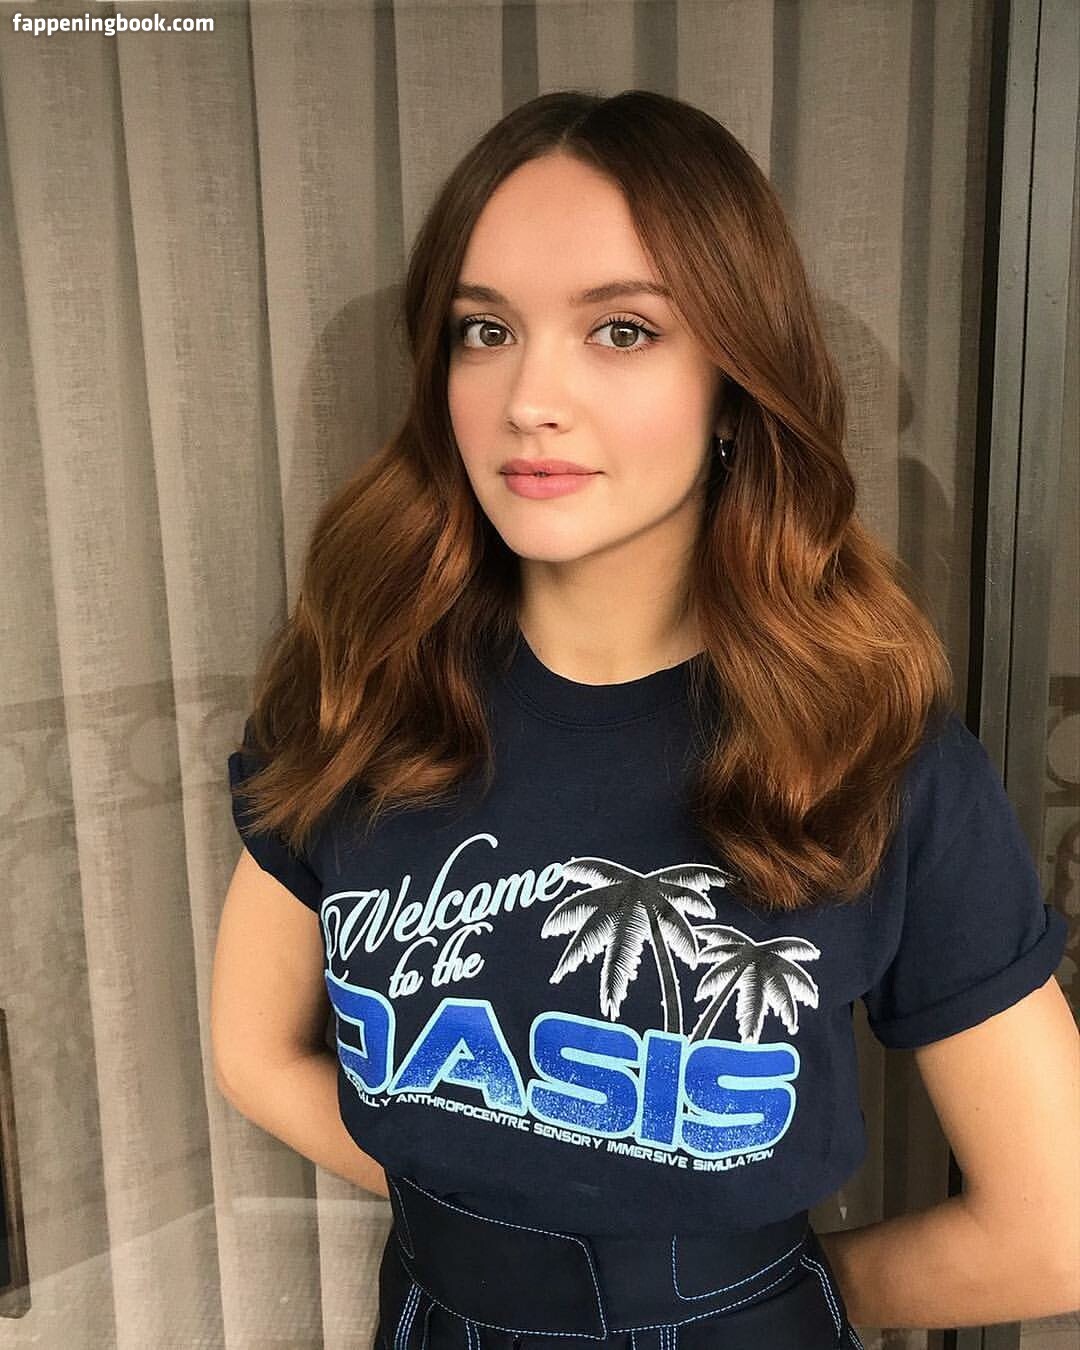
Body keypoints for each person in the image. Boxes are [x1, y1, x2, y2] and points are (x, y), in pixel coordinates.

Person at [211, 90, 1078, 1350]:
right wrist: (503, 1247)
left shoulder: (869, 754)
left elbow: (1054, 1228)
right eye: (484, 330)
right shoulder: (361, 688)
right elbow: (254, 1054)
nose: (530, 398)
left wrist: (757, 1301)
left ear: (735, 382)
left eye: (622, 329)